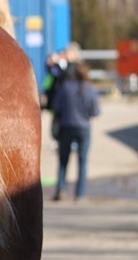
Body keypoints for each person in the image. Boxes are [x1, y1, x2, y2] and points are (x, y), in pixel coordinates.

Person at [51, 61, 101, 202]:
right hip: (84, 128)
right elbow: (95, 111)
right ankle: (80, 194)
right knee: (82, 161)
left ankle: (61, 189)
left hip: (66, 127)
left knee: (63, 160)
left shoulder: (65, 88)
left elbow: (56, 107)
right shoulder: (89, 89)